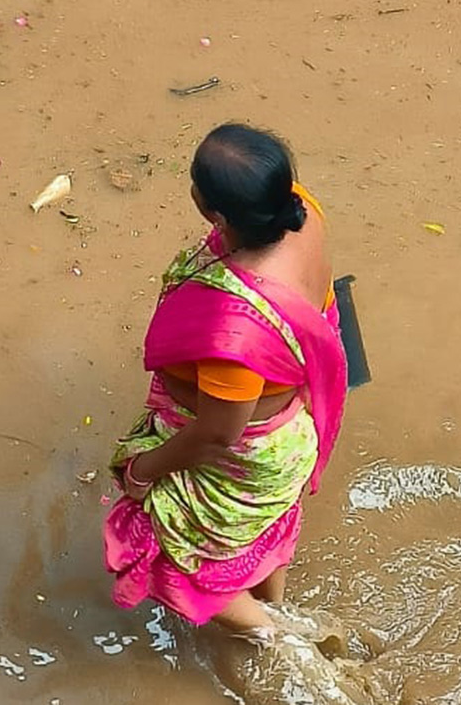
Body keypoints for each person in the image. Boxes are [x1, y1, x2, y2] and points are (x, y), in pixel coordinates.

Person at [102, 122, 348, 643]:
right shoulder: (302, 210)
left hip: (252, 457)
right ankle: (280, 609)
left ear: (213, 213)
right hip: (294, 427)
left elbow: (218, 433)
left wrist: (144, 473)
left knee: (176, 561)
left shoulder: (233, 328)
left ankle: (279, 642)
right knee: (266, 529)